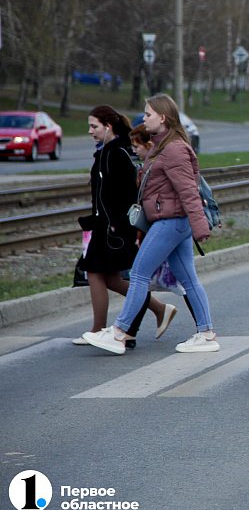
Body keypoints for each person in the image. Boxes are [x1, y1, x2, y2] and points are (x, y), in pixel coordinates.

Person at [83, 94, 218, 355]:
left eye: (148, 115)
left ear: (163, 117)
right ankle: (206, 333)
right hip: (173, 220)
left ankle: (119, 332)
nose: (143, 120)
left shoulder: (174, 149)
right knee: (188, 279)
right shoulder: (162, 145)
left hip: (171, 221)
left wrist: (200, 226)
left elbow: (188, 191)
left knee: (138, 274)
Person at [73, 105, 176, 347]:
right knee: (110, 279)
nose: (90, 131)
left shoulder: (115, 154)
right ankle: (159, 308)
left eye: (94, 126)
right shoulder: (106, 152)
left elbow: (127, 195)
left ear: (108, 127)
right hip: (105, 226)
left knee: (94, 273)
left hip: (113, 229)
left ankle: (98, 329)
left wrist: (116, 226)